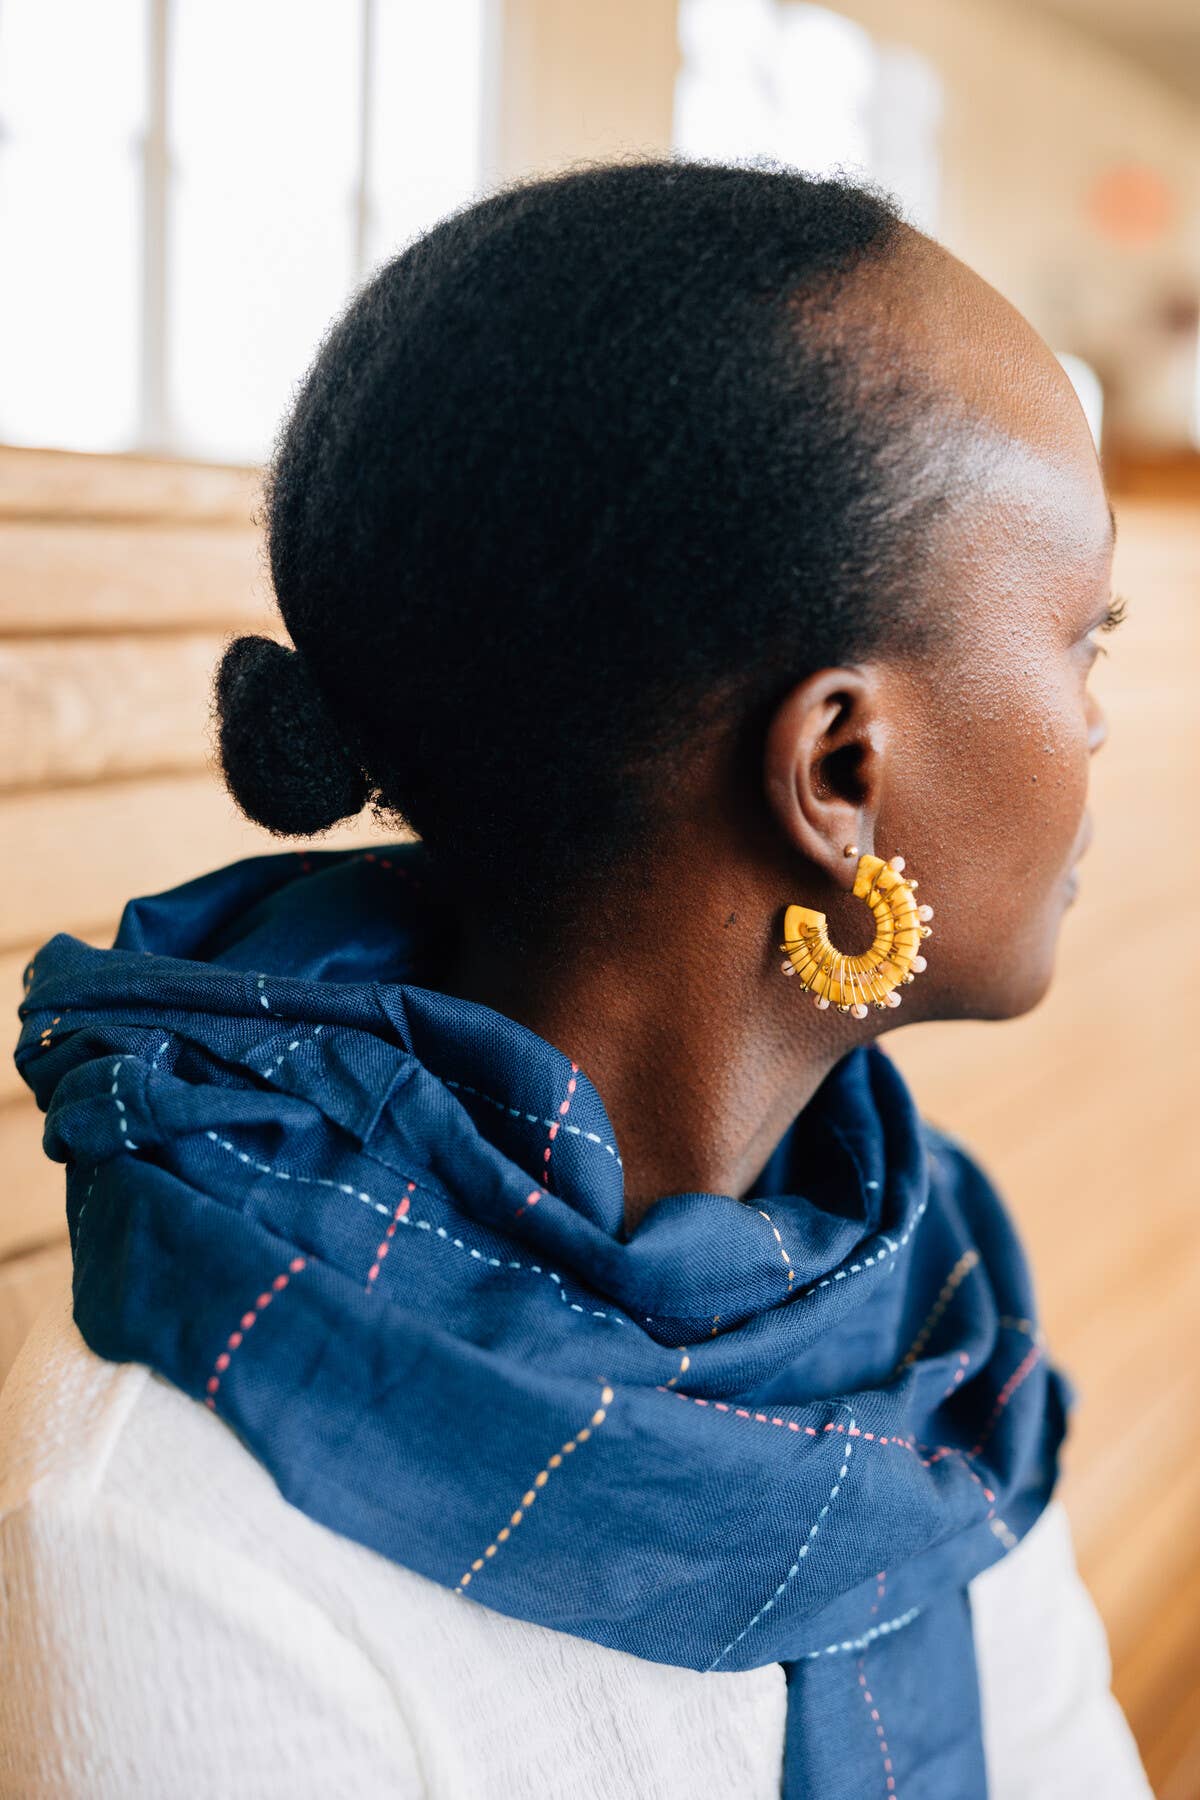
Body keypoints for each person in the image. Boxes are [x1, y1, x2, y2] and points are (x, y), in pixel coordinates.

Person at [2, 156, 1155, 1798]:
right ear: (837, 770)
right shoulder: (171, 1530)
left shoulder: (910, 1290)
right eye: (1080, 641)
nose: (1098, 717)